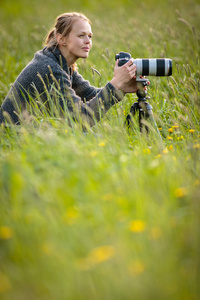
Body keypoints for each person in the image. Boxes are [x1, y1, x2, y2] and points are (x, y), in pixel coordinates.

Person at [0, 12, 137, 127]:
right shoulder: (49, 68)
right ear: (61, 39)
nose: (88, 41)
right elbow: (82, 118)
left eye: (90, 36)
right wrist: (115, 83)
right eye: (81, 35)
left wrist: (122, 87)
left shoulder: (60, 62)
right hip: (10, 135)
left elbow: (90, 94)